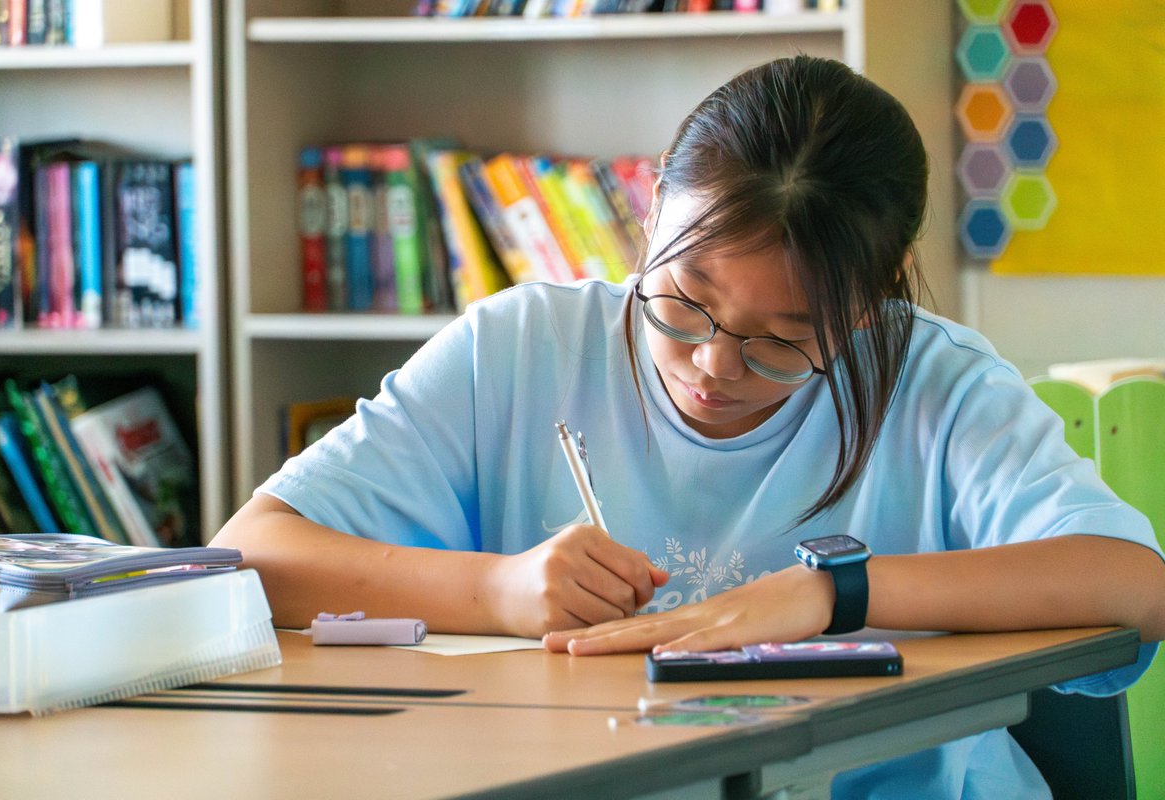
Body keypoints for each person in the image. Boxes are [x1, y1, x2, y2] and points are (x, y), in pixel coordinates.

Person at [212, 55, 1165, 797]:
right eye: (681, 302)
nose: (713, 365)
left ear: (872, 303)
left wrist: (832, 595)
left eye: (788, 338)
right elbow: (250, 555)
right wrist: (498, 590)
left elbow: (1134, 584)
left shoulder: (935, 382)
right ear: (652, 203)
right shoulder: (523, 345)